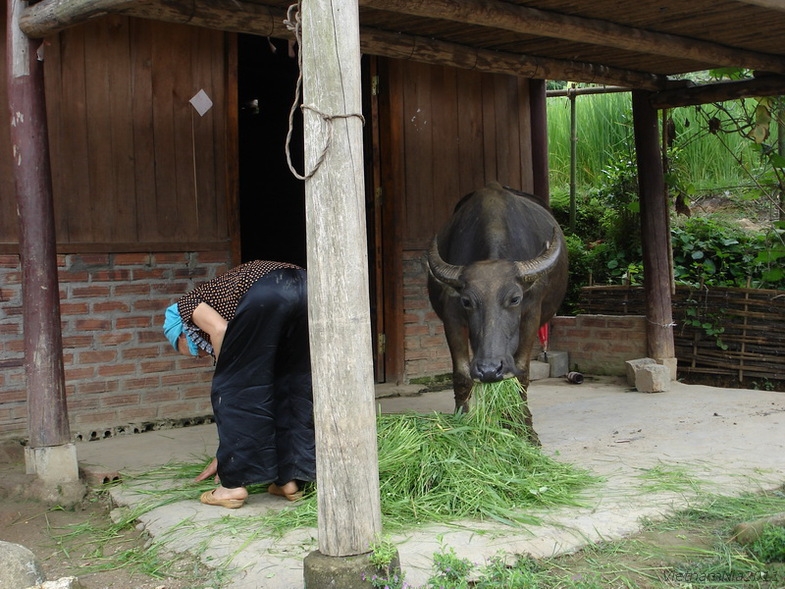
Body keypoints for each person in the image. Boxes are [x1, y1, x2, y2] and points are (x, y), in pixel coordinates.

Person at [162, 260, 315, 509]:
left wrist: (228, 375)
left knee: (234, 389)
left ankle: (231, 487)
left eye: (186, 350)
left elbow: (220, 329)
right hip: (307, 287)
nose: (195, 355)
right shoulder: (222, 299)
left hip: (268, 290)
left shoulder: (183, 307)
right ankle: (287, 480)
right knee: (286, 384)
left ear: (181, 334)